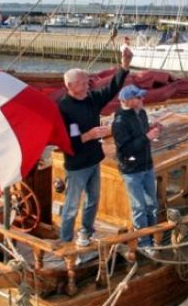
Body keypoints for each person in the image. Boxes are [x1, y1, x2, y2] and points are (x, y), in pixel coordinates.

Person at [58, 45, 133, 243]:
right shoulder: (63, 108)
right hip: (76, 166)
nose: (88, 86)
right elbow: (64, 140)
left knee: (93, 200)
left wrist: (124, 66)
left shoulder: (90, 99)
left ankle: (87, 231)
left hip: (93, 161)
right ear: (71, 86)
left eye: (88, 82)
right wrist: (88, 135)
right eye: (83, 83)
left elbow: (112, 88)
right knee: (72, 205)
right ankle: (65, 241)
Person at [112, 84, 161, 254]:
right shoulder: (119, 122)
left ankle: (154, 235)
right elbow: (125, 150)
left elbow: (142, 135)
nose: (142, 100)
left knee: (152, 204)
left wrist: (152, 130)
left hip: (147, 165)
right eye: (138, 98)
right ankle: (143, 243)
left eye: (141, 97)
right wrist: (147, 137)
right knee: (139, 208)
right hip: (132, 170)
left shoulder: (141, 113)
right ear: (127, 101)